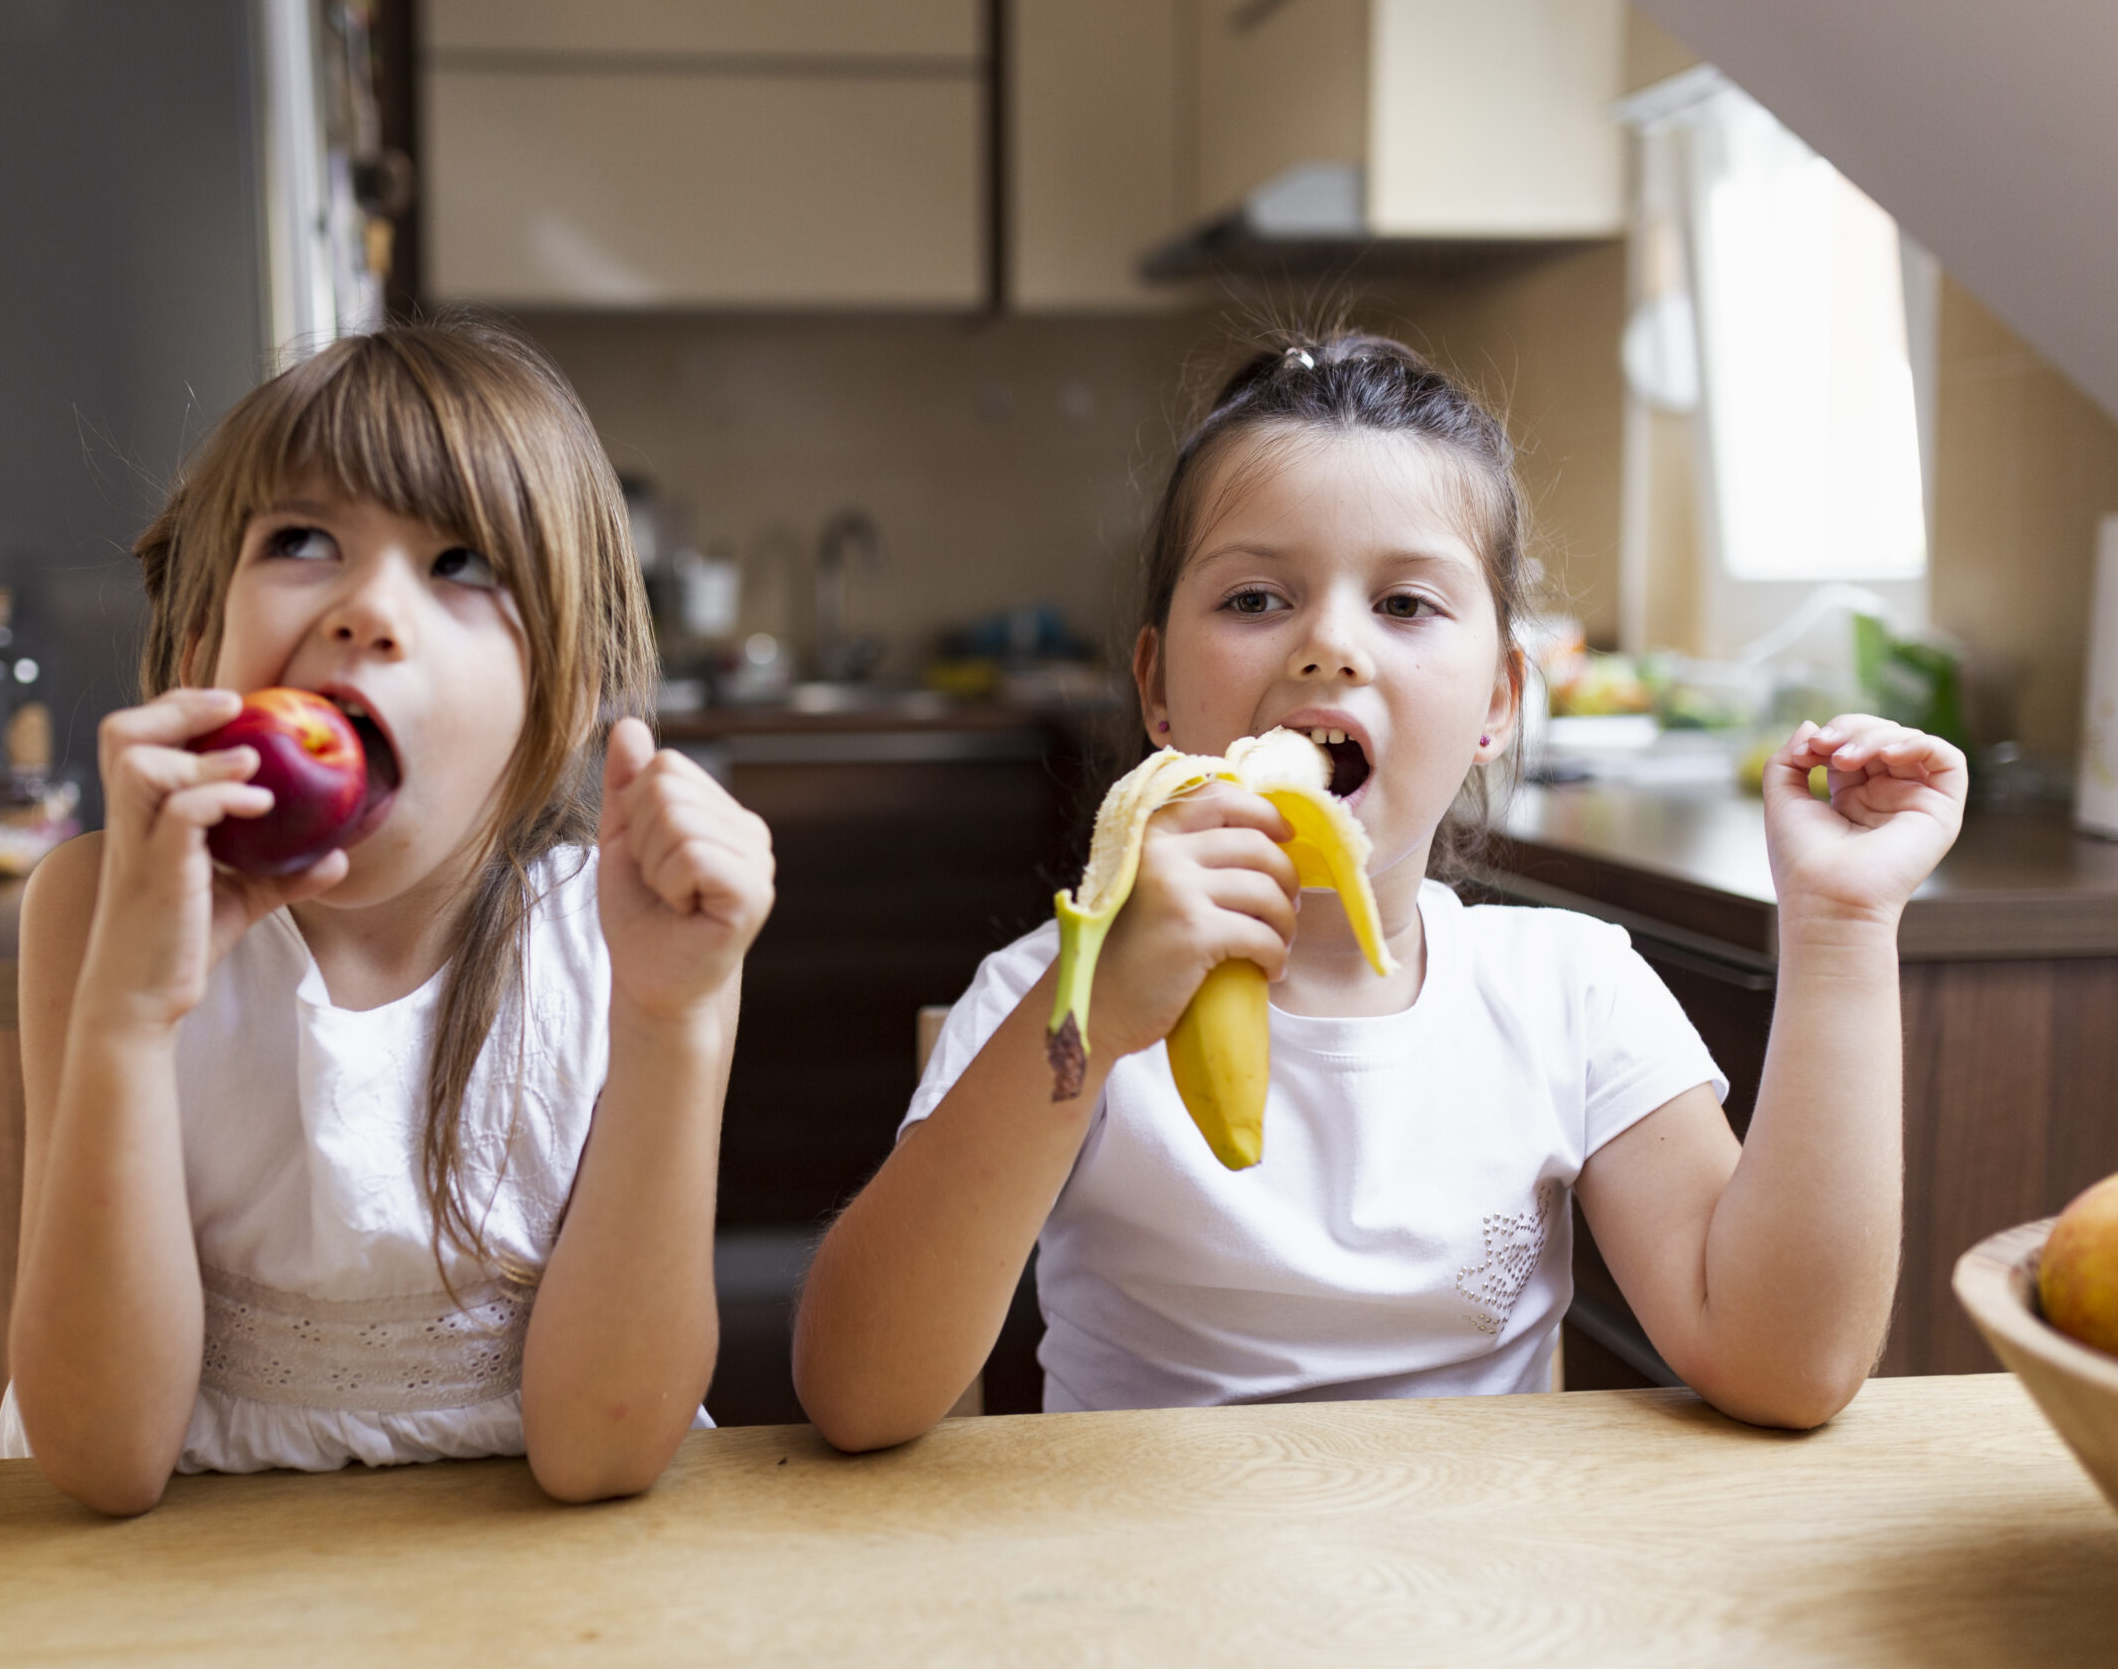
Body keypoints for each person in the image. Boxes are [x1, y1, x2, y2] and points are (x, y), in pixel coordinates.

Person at [793, 333, 1965, 1448]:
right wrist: (1088, 1023)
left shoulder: (1570, 996)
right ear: (1157, 690)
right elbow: (856, 1395)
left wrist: (1842, 926)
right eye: (1256, 600)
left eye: (1404, 604)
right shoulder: (1048, 998)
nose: (1328, 646)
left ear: (1501, 700)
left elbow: (1784, 1365)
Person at [0, 324, 775, 1514]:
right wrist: (129, 1016)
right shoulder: (97, 909)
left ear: (559, 696)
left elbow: (601, 1456)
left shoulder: (614, 941)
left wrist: (680, 1020)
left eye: (462, 563)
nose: (367, 609)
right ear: (200, 646)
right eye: (302, 541)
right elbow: (104, 1461)